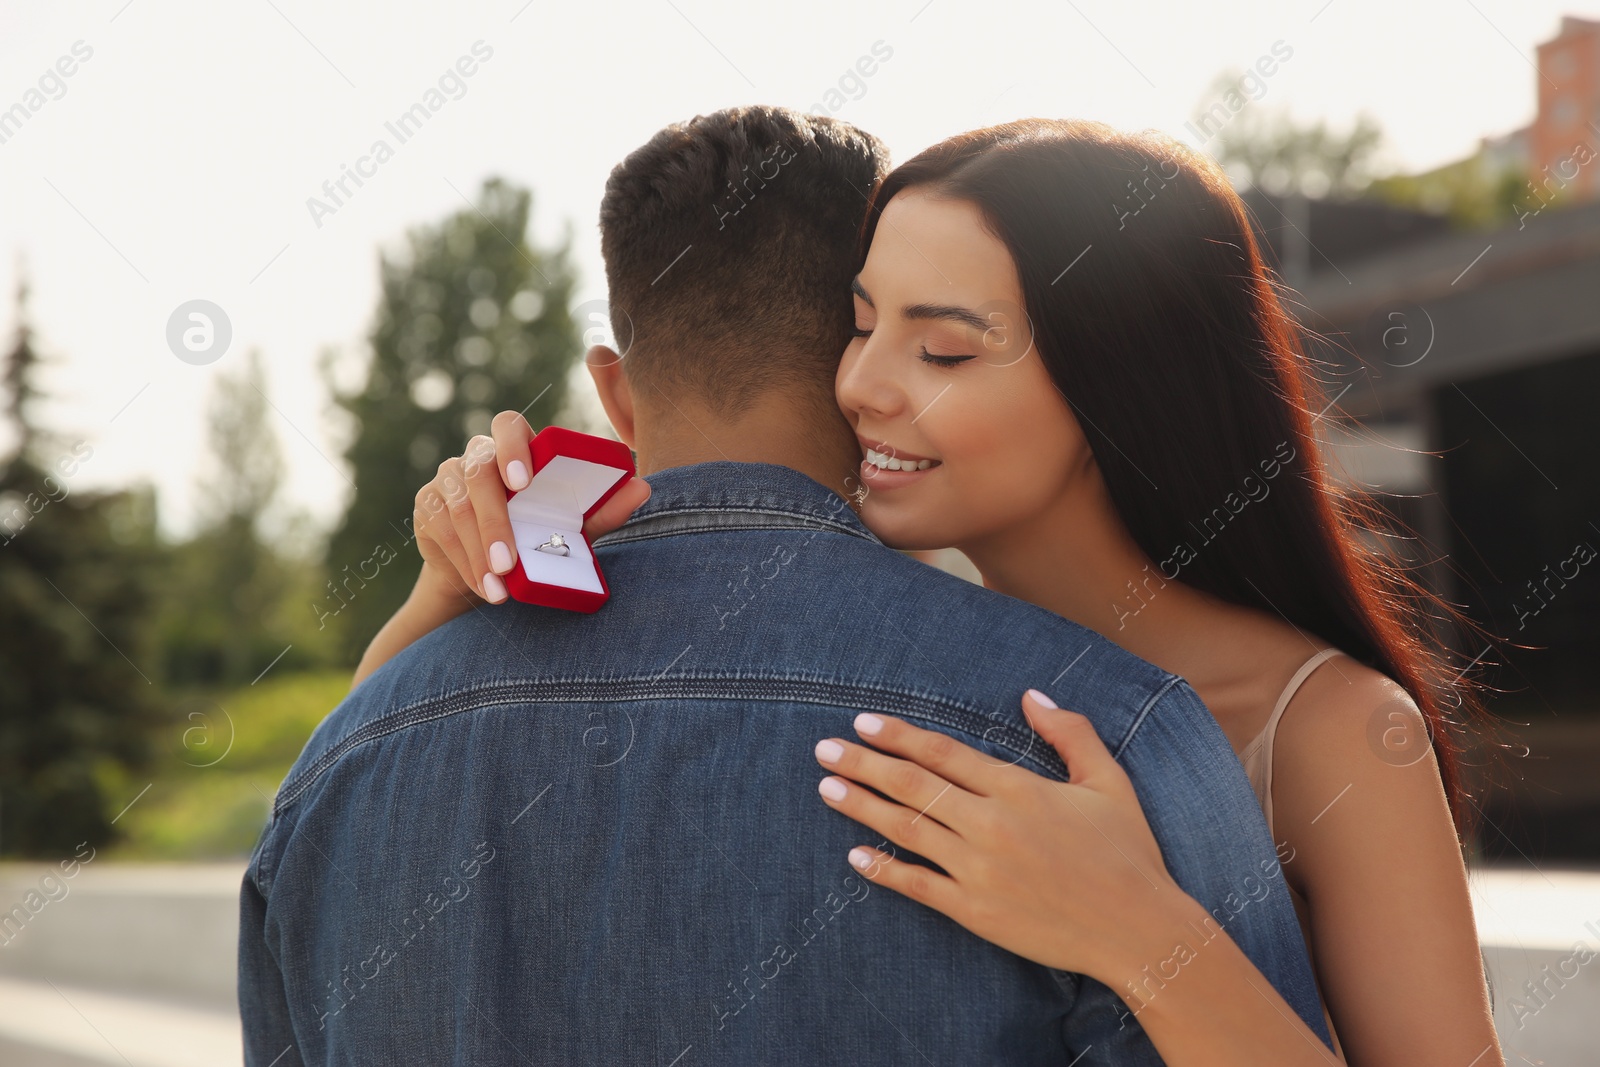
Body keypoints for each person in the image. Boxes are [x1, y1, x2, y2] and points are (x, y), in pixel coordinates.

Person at [386, 118, 1509, 1065]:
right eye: (862, 325)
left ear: (1116, 381)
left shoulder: (1330, 728)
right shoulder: (869, 664)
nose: (861, 386)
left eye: (945, 353)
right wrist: (449, 586)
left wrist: (1137, 929)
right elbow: (366, 797)